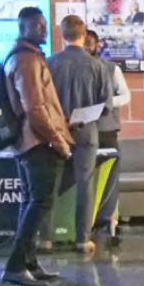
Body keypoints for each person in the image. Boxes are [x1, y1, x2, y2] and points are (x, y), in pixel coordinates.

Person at [3, 7, 74, 286]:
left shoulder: (26, 57)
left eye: (45, 25)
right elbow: (35, 108)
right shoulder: (26, 60)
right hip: (38, 143)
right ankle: (16, 266)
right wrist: (58, 141)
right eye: (36, 25)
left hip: (30, 141)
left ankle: (29, 264)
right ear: (23, 28)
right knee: (40, 203)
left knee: (30, 202)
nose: (43, 30)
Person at [46, 15, 112, 255]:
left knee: (50, 185)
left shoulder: (49, 63)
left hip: (55, 132)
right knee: (85, 185)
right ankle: (83, 240)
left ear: (62, 35)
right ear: (84, 35)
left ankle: (45, 239)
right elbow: (106, 105)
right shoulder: (98, 65)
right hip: (86, 133)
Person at [86, 29, 131, 245]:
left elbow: (126, 95)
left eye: (90, 43)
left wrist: (108, 104)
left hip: (106, 130)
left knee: (110, 178)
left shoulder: (111, 68)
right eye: (83, 43)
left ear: (97, 45)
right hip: (81, 131)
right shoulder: (73, 68)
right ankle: (86, 223)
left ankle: (108, 219)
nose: (86, 47)